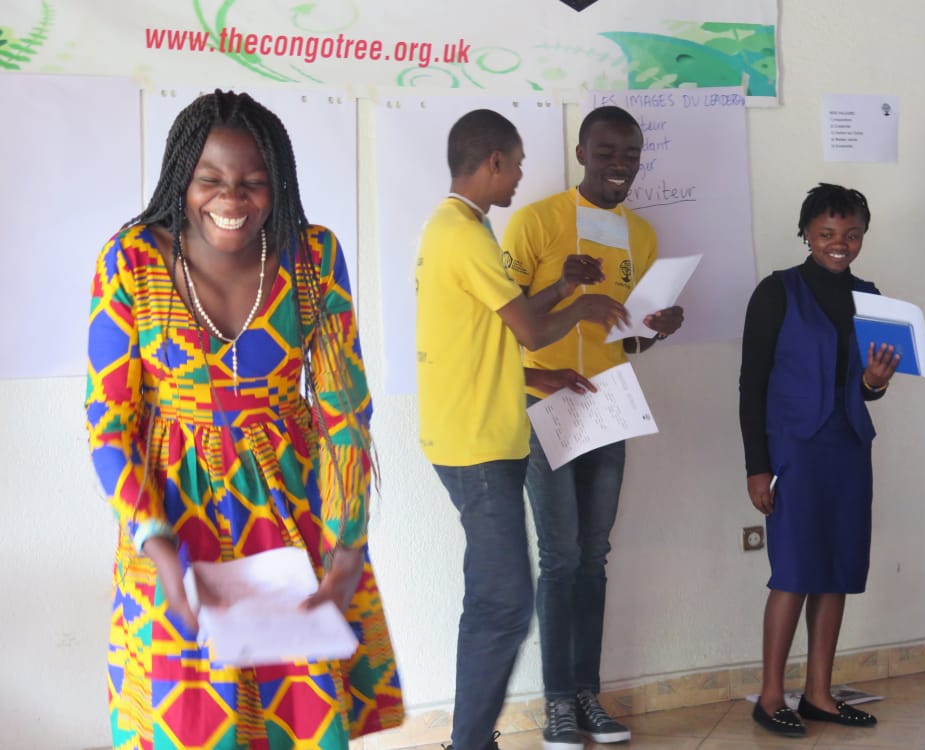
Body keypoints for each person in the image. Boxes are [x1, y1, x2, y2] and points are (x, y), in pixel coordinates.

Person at [85, 90, 403, 749]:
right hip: (175, 513)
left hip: (292, 508)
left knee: (298, 697)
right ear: (183, 177)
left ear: (278, 183)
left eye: (254, 183)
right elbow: (109, 422)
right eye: (211, 180)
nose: (232, 200)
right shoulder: (133, 262)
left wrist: (347, 549)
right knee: (190, 711)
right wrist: (156, 542)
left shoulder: (313, 258)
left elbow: (344, 406)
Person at [414, 108, 629, 750]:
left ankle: (472, 739)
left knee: (498, 598)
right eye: (518, 163)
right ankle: (470, 741)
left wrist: (541, 371)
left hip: (481, 430)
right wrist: (585, 304)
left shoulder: (457, 229)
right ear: (493, 162)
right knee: (502, 603)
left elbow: (495, 328)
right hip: (478, 444)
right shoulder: (466, 235)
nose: (521, 177)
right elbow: (530, 332)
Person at [499, 105, 684, 750]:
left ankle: (586, 695)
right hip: (544, 398)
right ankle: (555, 703)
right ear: (582, 152)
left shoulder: (642, 234)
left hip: (608, 400)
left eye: (629, 156)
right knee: (560, 556)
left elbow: (626, 339)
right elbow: (501, 319)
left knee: (595, 556)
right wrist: (532, 376)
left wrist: (654, 332)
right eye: (606, 153)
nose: (618, 166)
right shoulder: (536, 221)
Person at [738, 183, 900, 737]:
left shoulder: (872, 297)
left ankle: (820, 695)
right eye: (828, 233)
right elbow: (751, 384)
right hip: (794, 452)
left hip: (849, 449)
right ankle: (769, 696)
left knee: (836, 572)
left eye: (852, 234)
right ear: (806, 233)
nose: (840, 244)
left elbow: (862, 385)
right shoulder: (777, 291)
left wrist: (874, 383)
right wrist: (756, 465)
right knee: (794, 571)